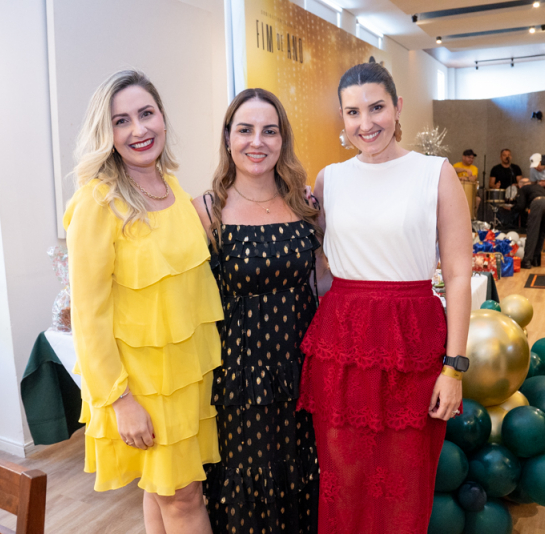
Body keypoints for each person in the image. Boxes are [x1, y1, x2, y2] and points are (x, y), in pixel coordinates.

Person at [298, 61, 472, 533]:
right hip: (343, 345)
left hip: (411, 345)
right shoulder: (329, 179)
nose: (366, 123)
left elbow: (459, 274)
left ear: (397, 107)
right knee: (343, 480)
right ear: (341, 117)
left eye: (376, 108)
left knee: (405, 483)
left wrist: (454, 368)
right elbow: (317, 264)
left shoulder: (435, 173)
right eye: (353, 112)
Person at [64, 69, 221, 534]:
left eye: (146, 113)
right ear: (106, 134)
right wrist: (121, 401)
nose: (139, 130)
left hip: (185, 375)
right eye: (122, 121)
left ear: (162, 117)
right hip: (141, 385)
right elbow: (88, 316)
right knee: (184, 498)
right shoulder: (98, 202)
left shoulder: (171, 188)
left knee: (163, 490)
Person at [192, 89, 320, 534]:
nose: (257, 142)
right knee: (249, 483)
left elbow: (323, 281)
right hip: (240, 378)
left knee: (301, 475)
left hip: (300, 370)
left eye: (270, 131)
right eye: (245, 130)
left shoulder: (304, 204)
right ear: (228, 137)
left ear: (283, 139)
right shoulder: (206, 210)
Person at [513, 177, 545, 269]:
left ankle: (527, 261)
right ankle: (536, 260)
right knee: (542, 232)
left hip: (538, 203)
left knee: (532, 232)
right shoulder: (537, 187)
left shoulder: (523, 188)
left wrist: (512, 208)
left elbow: (521, 206)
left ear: (520, 185)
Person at [454, 149, 481, 213]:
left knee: (478, 199)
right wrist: (465, 170)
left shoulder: (474, 168)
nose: (471, 159)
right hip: (458, 191)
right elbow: (453, 170)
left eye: (472, 158)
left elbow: (473, 178)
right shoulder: (456, 165)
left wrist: (465, 178)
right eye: (469, 157)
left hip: (470, 190)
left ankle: (472, 215)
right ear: (463, 157)